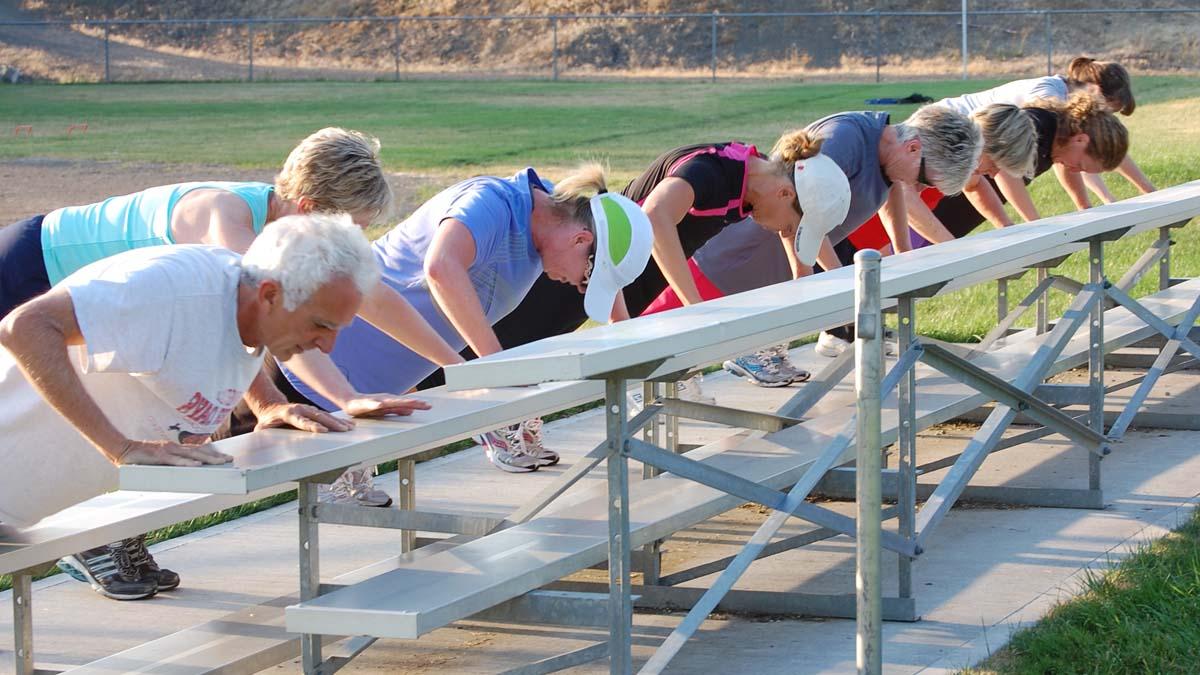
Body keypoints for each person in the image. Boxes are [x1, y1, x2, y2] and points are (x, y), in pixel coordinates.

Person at [0, 127, 464, 508]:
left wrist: (459, 368)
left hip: (91, 302)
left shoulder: (275, 248)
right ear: (308, 212)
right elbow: (272, 324)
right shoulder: (228, 230)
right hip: (29, 267)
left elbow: (364, 300)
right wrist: (345, 397)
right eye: (349, 232)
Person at [0, 213, 378, 600]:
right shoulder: (167, 290)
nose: (327, 346)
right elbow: (25, 327)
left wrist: (269, 404)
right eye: (321, 325)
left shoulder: (248, 303)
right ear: (269, 295)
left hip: (28, 508)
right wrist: (121, 447)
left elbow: (222, 341)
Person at [246, 165, 654, 473]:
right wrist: (492, 371)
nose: (580, 288)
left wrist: (627, 341)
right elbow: (441, 267)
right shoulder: (494, 202)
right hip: (308, 364)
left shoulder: (554, 222)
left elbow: (606, 272)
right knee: (233, 459)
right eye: (587, 277)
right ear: (580, 239)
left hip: (368, 388)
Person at [639, 105, 980, 380]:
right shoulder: (844, 139)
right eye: (924, 181)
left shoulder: (887, 161)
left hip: (778, 261)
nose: (920, 190)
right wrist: (832, 277)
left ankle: (687, 377)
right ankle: (642, 385)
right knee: (667, 332)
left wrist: (903, 251)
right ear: (913, 147)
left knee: (713, 335)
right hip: (737, 255)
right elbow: (803, 209)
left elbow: (891, 191)